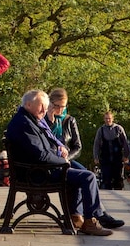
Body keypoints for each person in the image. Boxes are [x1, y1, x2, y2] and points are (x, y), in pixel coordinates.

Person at [4, 90, 113, 236]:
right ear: (28, 104)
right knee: (88, 177)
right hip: (36, 174)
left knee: (82, 173)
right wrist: (62, 161)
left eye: (45, 107)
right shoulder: (24, 124)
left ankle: (76, 216)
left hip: (39, 168)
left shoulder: (29, 119)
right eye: (41, 106)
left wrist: (61, 157)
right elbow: (41, 155)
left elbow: (44, 150)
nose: (44, 110)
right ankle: (90, 221)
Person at [45, 89, 123, 229]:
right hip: (52, 162)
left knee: (87, 174)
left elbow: (77, 146)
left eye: (64, 106)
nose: (61, 109)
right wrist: (50, 121)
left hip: (66, 159)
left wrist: (67, 157)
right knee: (85, 176)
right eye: (57, 106)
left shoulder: (69, 120)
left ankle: (88, 214)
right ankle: (95, 214)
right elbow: (44, 141)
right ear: (50, 104)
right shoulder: (44, 120)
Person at [93, 112, 130, 190]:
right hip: (105, 159)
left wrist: (126, 156)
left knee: (118, 179)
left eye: (109, 118)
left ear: (112, 119)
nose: (108, 120)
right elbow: (96, 144)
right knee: (106, 179)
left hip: (117, 159)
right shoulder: (101, 130)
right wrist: (96, 157)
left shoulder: (118, 129)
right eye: (106, 118)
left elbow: (125, 143)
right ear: (104, 119)